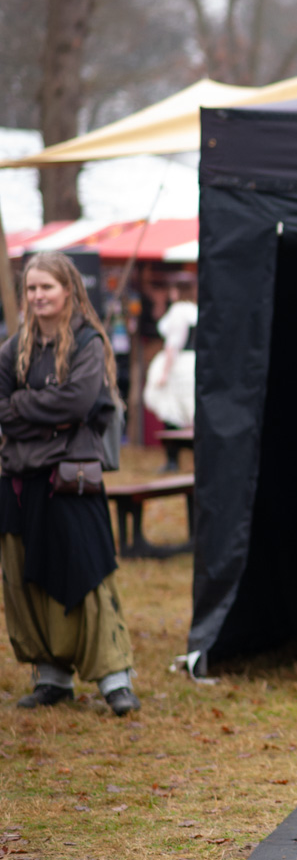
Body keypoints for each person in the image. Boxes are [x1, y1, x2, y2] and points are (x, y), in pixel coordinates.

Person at [0, 252, 137, 715]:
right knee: (27, 578)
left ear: (68, 290)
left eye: (47, 287)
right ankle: (53, 677)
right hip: (20, 480)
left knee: (87, 573)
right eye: (32, 288)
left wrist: (23, 406)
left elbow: (77, 403)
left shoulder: (87, 343)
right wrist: (46, 414)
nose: (38, 296)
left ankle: (114, 678)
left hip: (71, 478)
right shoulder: (13, 349)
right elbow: (3, 408)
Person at [142, 278, 197, 473]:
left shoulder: (179, 312)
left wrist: (164, 372)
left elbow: (174, 344)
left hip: (179, 368)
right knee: (189, 413)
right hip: (193, 364)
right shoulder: (195, 310)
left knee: (171, 411)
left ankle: (173, 460)